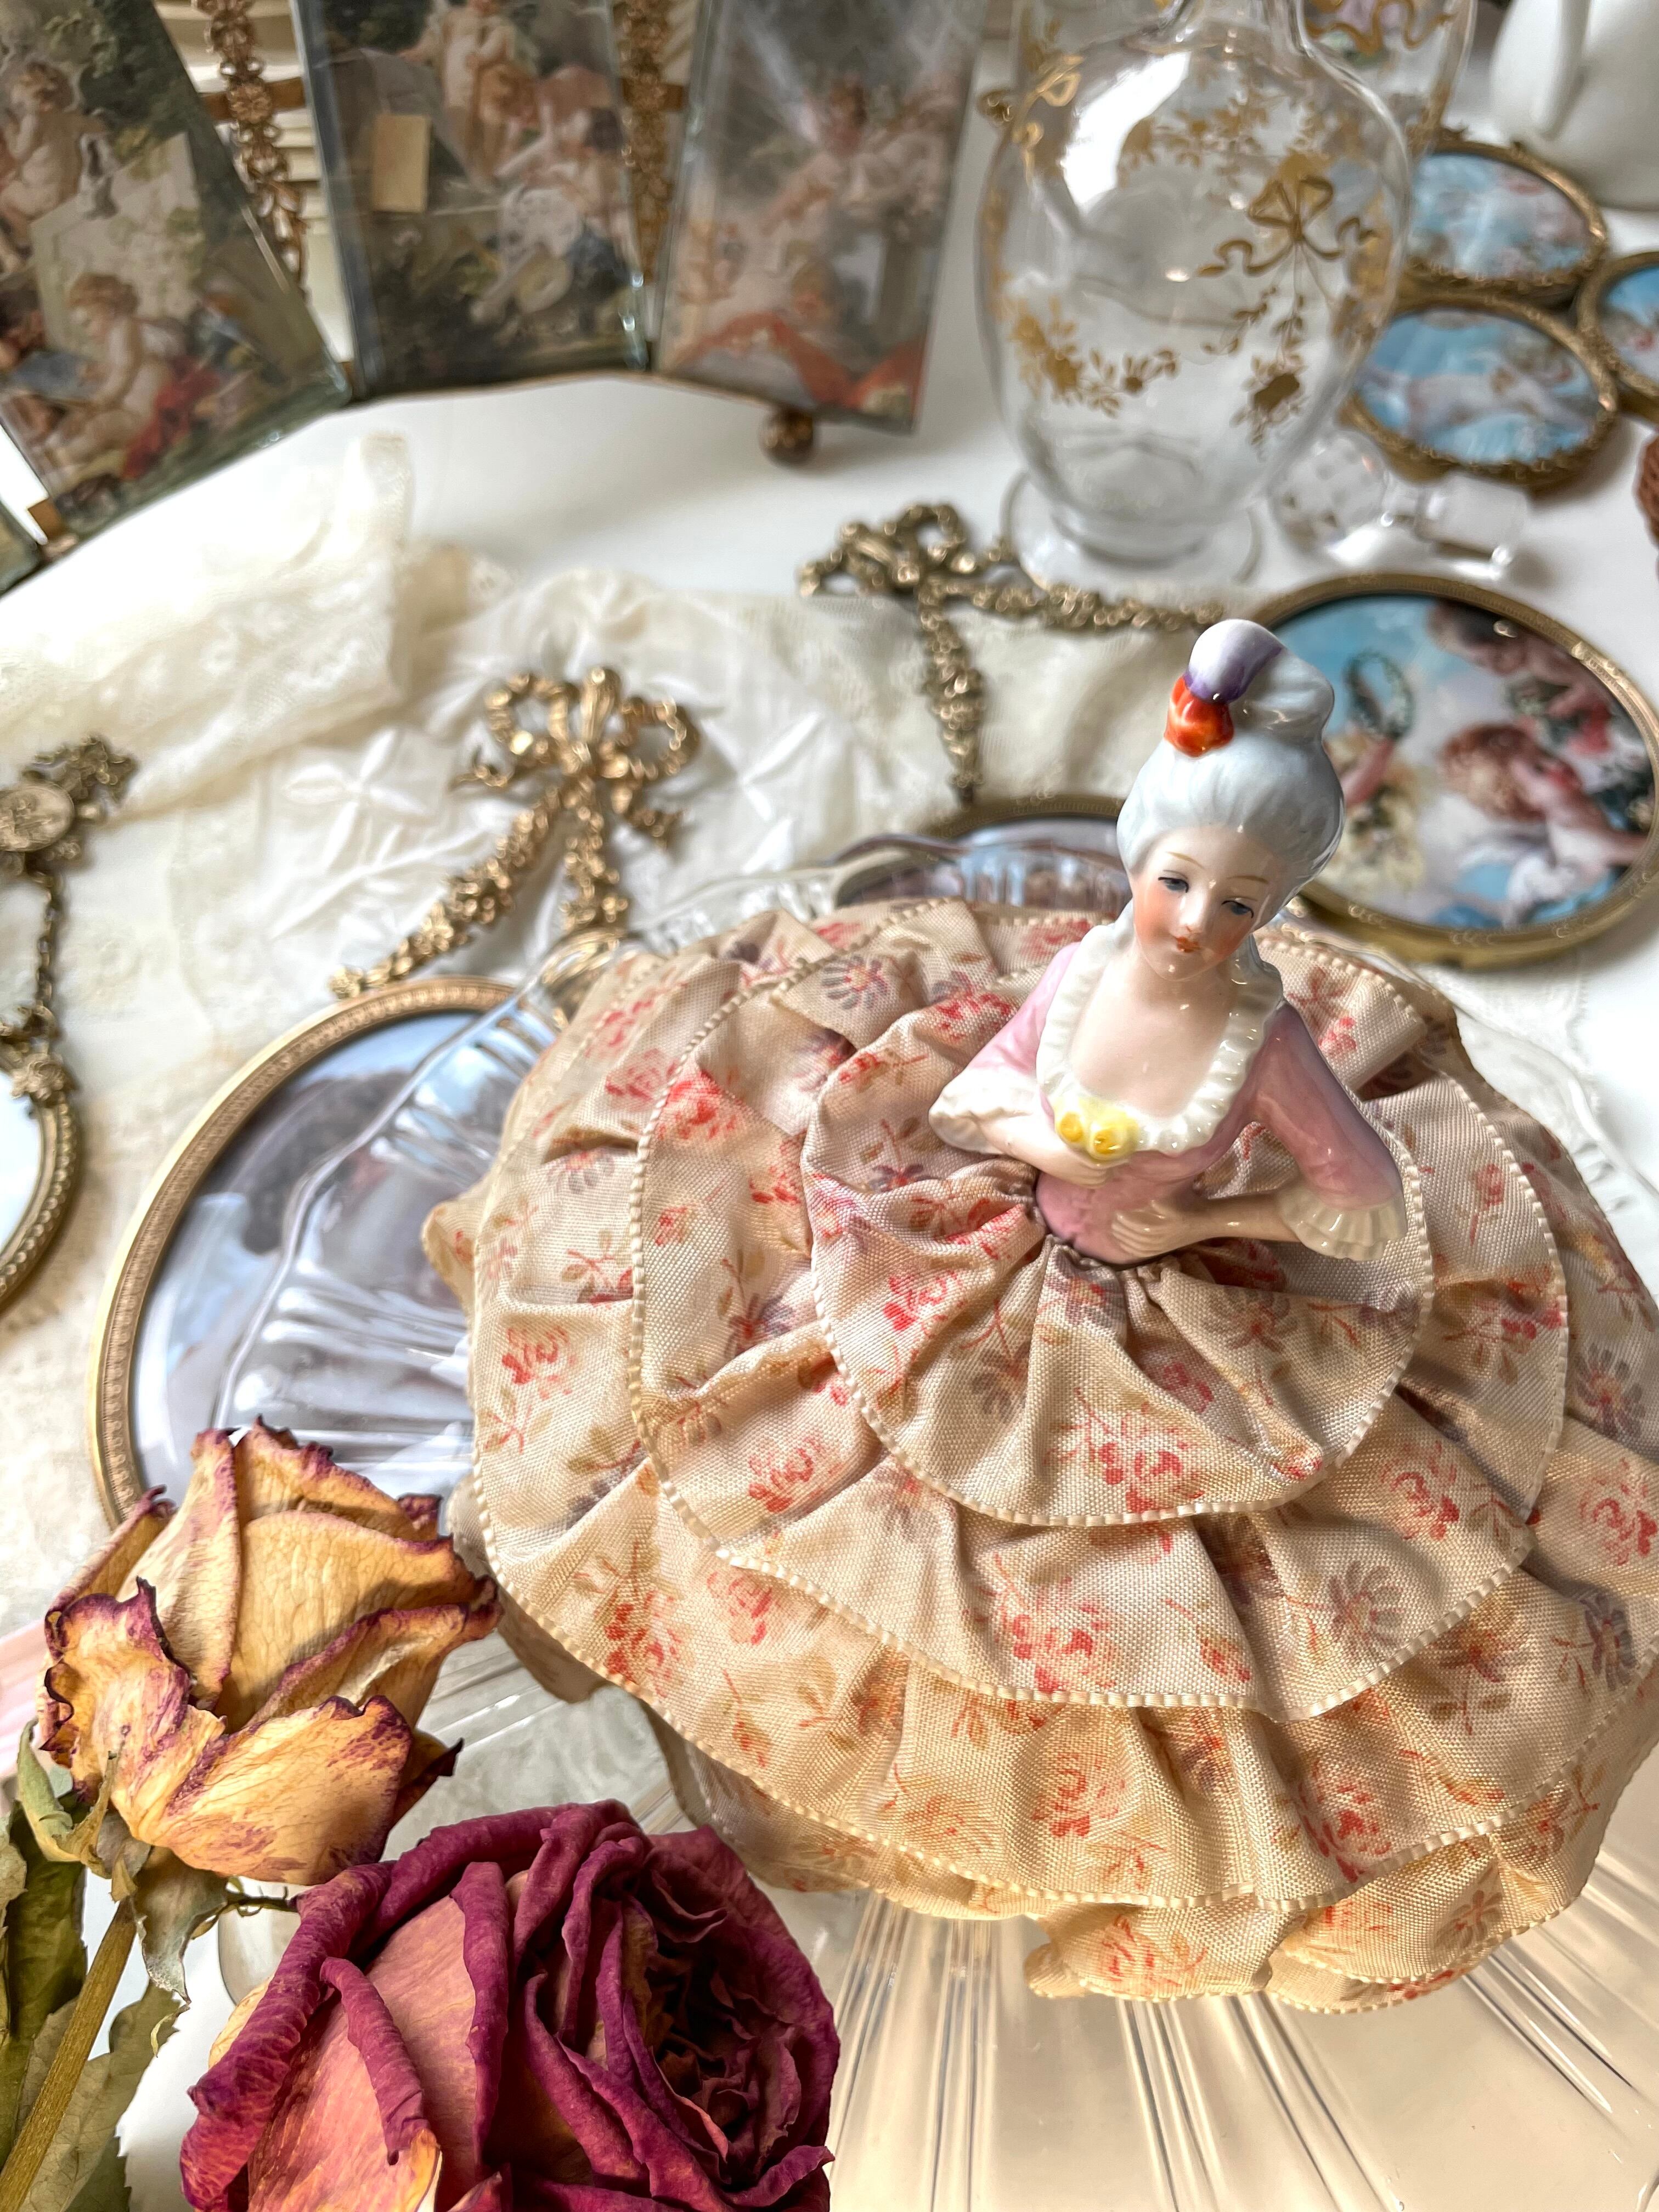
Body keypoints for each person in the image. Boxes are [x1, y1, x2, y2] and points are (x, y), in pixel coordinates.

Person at [933, 619, 1408, 1262]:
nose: (1195, 924)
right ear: (1136, 859)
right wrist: (1038, 1145)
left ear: (1268, 912)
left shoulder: (1264, 1044)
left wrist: (1204, 1222)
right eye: (1176, 882)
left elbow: (1366, 1191)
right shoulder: (1079, 973)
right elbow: (982, 1088)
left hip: (1163, 1268)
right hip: (1014, 1223)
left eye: (1237, 905)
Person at [1438, 717, 1647, 922]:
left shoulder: (1593, 803)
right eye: (1539, 769)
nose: (1555, 763)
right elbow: (1648, 851)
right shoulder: (1581, 838)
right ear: (1524, 799)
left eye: (1545, 753)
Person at [0, 61, 109, 273]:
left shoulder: (33, 122)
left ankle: (33, 240)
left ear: (34, 99)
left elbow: (19, 153)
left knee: (4, 200)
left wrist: (13, 134)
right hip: (71, 191)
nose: (21, 113)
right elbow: (99, 127)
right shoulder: (69, 118)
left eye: (21, 107)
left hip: (45, 198)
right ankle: (29, 240)